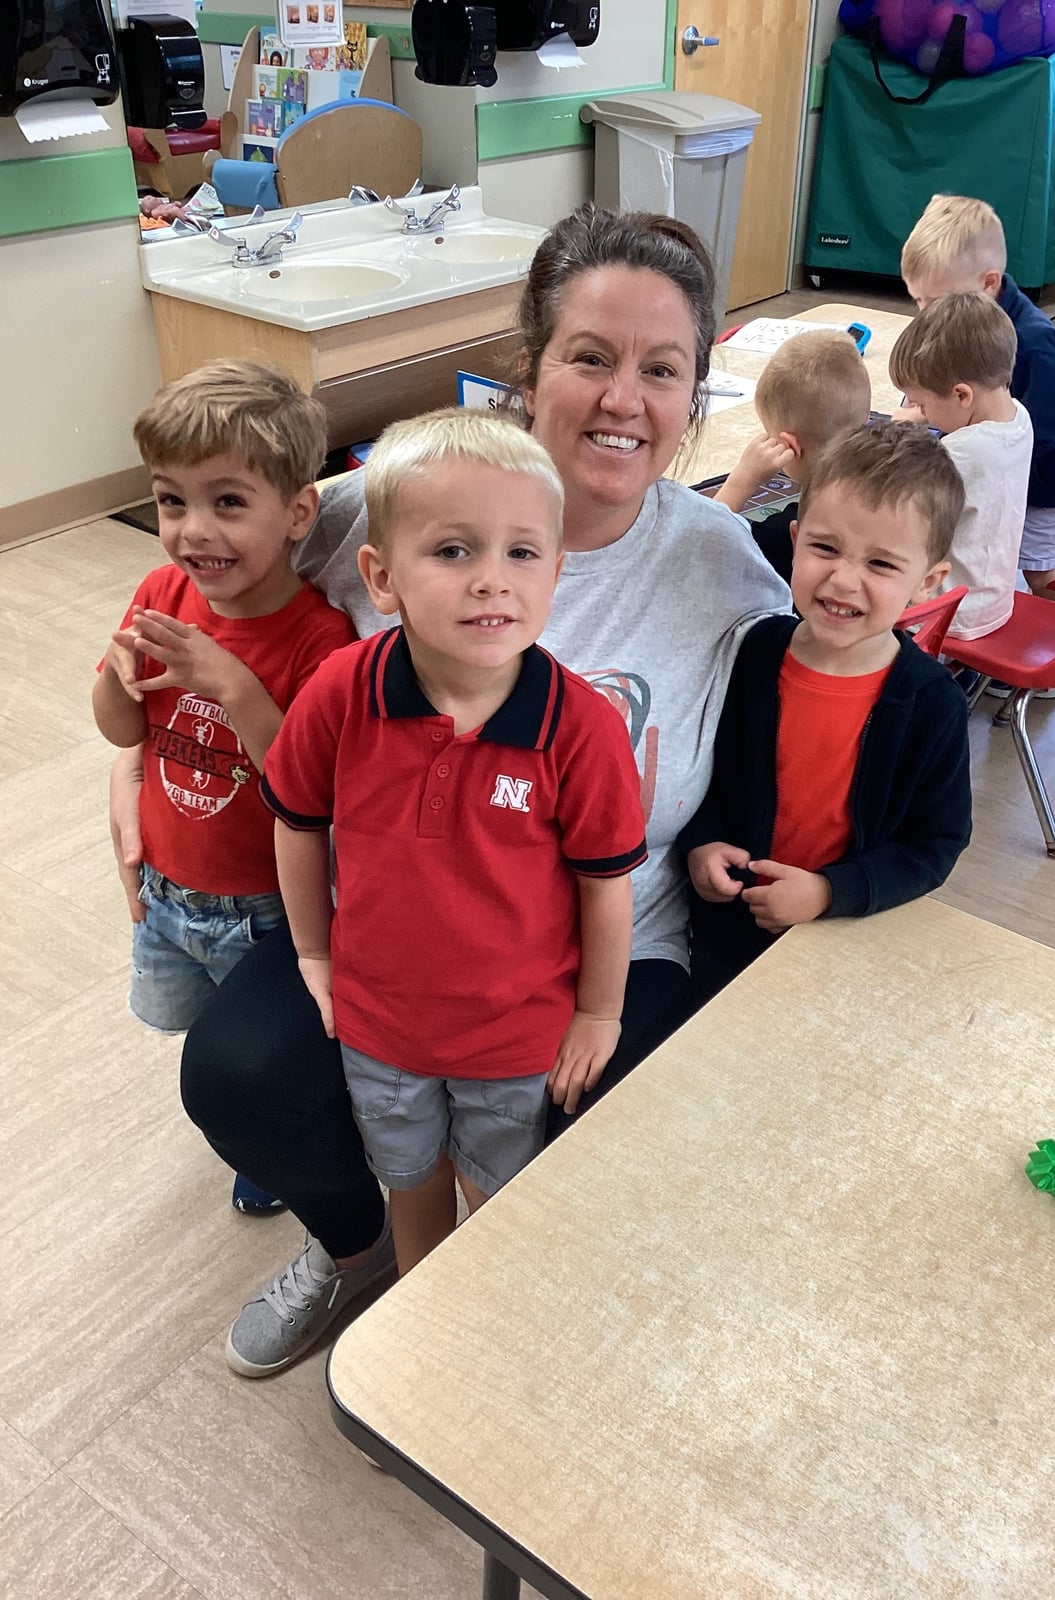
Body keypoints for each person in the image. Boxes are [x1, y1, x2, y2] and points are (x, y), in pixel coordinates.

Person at [107, 205, 792, 1377]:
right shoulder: (390, 502)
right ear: (530, 367)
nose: (624, 397)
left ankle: (511, 1306)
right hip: (391, 924)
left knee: (609, 1146)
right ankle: (361, 1251)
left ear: (694, 392)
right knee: (239, 1067)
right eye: (590, 357)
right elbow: (211, 565)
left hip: (598, 946)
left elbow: (849, 694)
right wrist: (131, 761)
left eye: (660, 369)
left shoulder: (722, 562)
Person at [260, 409, 648, 1297]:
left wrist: (599, 1015)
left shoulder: (580, 729)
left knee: (499, 1192)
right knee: (411, 1180)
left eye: (521, 553)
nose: (490, 582)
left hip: (516, 1039)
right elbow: (295, 821)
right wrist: (313, 951)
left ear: (556, 571)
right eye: (453, 551)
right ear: (381, 576)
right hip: (379, 1027)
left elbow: (605, 888)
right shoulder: (341, 691)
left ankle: (487, 1317)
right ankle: (420, 1312)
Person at [92, 361, 356, 1214]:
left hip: (265, 908)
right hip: (169, 891)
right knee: (197, 1032)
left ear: (298, 513)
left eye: (228, 502)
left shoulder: (320, 639)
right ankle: (252, 1125)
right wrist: (119, 676)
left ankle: (273, 1134)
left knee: (269, 1054)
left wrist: (232, 685)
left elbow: (308, 789)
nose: (192, 530)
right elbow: (120, 731)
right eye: (171, 501)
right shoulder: (163, 593)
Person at [681, 424, 973, 996]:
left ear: (928, 582)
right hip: (724, 932)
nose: (843, 579)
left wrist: (828, 893)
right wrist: (704, 840)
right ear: (795, 539)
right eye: (825, 547)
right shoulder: (754, 654)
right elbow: (705, 773)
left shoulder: (931, 702)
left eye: (882, 565)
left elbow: (934, 845)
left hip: (842, 941)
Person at [900, 195, 1055, 607]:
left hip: (1053, 487)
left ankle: (1047, 643)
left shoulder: (1033, 343)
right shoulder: (967, 325)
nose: (924, 315)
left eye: (936, 303)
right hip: (1020, 478)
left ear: (988, 283)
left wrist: (961, 439)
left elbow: (1046, 430)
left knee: (1036, 570)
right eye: (917, 301)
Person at [888, 292, 1034, 643]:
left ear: (962, 395)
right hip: (993, 597)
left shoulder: (961, 452)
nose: (920, 412)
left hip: (947, 615)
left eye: (922, 403)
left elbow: (901, 510)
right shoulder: (1018, 418)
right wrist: (925, 414)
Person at [714, 330, 872, 581]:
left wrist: (742, 479)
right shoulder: (895, 498)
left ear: (790, 447)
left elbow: (700, 541)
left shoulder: (788, 531)